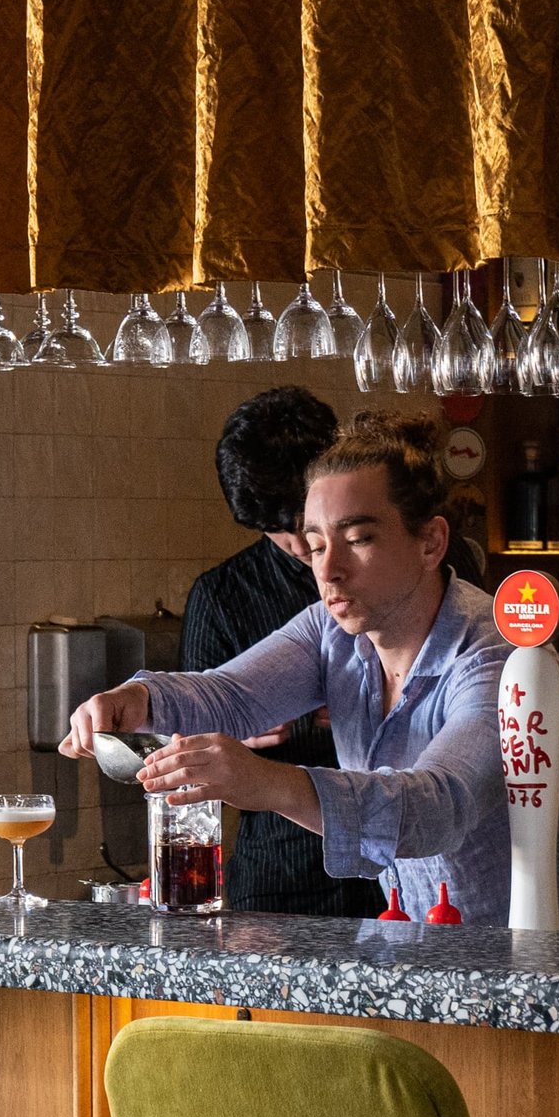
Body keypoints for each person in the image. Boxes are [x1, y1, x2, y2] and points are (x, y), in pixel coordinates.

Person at [61, 409, 559, 932]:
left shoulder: (495, 653)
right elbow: (232, 695)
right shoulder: (329, 631)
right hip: (432, 956)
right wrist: (133, 701)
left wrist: (264, 782)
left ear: (432, 541)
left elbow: (437, 807)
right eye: (314, 546)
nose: (329, 570)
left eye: (358, 538)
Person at [181, 388, 378, 917]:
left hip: (406, 859)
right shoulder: (223, 595)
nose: (297, 543)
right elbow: (183, 740)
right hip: (280, 873)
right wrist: (232, 738)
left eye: (298, 520)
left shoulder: (408, 565)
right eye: (274, 529)